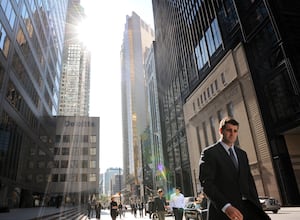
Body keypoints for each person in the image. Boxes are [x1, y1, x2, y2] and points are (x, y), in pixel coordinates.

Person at [199, 117, 270, 220]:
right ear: (221, 131)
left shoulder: (242, 154)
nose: (232, 134)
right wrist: (226, 207)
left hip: (247, 210)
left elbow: (249, 183)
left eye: (235, 131)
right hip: (223, 212)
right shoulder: (209, 153)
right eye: (229, 130)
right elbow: (207, 184)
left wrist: (257, 205)